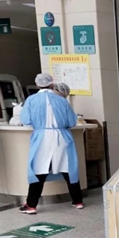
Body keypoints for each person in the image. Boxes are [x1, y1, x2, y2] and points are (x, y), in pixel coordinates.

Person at [19, 73, 83, 214]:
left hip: (42, 138)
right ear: (52, 84)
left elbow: (25, 120)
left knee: (39, 169)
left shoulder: (31, 100)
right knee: (68, 168)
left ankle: (31, 205)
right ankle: (78, 200)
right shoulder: (62, 100)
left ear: (37, 85)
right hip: (62, 136)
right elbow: (72, 121)